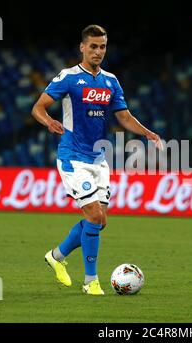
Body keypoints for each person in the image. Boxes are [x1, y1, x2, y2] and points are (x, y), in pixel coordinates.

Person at [31, 24, 161, 295]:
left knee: (100, 221)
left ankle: (56, 256)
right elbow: (38, 107)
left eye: (102, 46)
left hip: (99, 159)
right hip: (73, 157)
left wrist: (147, 132)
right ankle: (91, 281)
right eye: (93, 46)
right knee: (93, 214)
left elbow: (124, 117)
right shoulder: (68, 77)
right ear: (82, 47)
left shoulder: (111, 81)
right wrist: (49, 121)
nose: (98, 51)